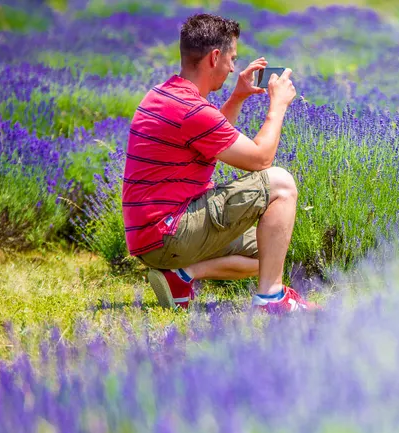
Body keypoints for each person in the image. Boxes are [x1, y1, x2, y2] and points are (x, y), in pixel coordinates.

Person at [122, 13, 316, 314]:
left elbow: (207, 144)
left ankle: (181, 276)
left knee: (266, 250)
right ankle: (272, 298)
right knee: (280, 183)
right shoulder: (191, 110)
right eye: (232, 59)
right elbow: (260, 158)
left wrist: (237, 97)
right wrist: (277, 107)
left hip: (153, 238)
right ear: (215, 57)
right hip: (170, 234)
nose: (232, 68)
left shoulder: (161, 96)